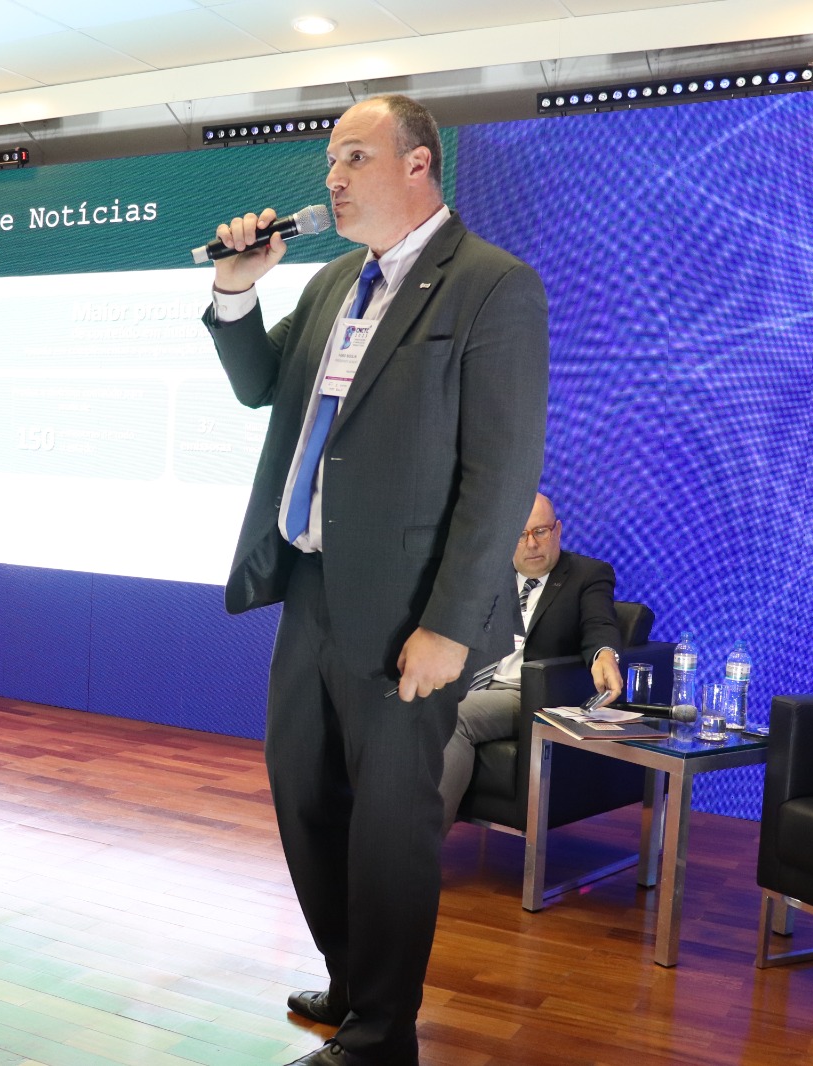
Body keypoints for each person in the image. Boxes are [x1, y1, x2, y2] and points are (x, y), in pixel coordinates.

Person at [202, 94, 548, 1066]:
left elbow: (500, 472)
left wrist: (449, 623)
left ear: (418, 164)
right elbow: (260, 385)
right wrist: (235, 291)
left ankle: (383, 1033)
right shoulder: (330, 282)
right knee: (303, 793)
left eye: (354, 156)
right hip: (312, 587)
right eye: (330, 162)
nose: (333, 178)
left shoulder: (491, 284)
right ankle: (353, 980)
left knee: (392, 823)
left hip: (410, 612)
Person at [438, 493, 624, 832]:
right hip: (474, 683)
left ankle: (423, 846)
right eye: (520, 535)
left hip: (528, 694)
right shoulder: (491, 574)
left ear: (558, 530)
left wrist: (605, 655)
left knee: (455, 714)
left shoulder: (588, 574)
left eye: (540, 531)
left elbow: (599, 624)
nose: (532, 544)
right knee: (406, 706)